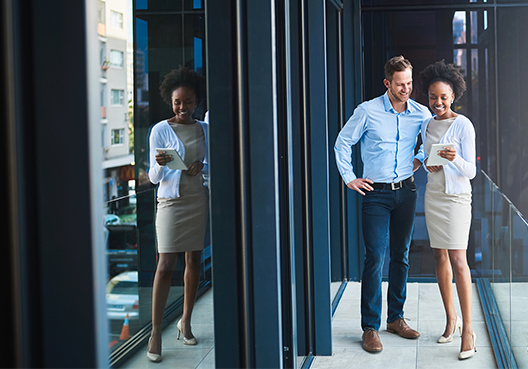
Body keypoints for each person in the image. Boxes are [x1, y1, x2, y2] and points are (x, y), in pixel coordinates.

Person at [334, 56, 431, 353]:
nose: (406, 89)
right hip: (375, 194)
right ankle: (370, 327)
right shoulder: (367, 111)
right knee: (375, 257)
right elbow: (342, 143)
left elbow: (431, 140)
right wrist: (350, 177)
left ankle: (396, 318)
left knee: (401, 256)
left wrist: (420, 159)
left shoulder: (421, 113)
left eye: (410, 83)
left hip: (406, 192)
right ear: (387, 83)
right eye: (401, 84)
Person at [146, 66, 209, 362]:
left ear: (197, 102)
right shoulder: (160, 130)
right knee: (165, 264)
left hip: (197, 198)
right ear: (170, 102)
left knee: (194, 259)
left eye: (187, 102)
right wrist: (160, 163)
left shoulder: (204, 129)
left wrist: (203, 166)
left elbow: (213, 164)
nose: (182, 107)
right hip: (171, 203)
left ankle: (185, 322)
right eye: (177, 103)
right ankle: (156, 331)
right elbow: (154, 177)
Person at [419, 60, 477, 360]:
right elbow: (428, 160)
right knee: (439, 256)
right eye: (432, 96)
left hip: (456, 201)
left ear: (453, 96)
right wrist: (429, 162)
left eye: (443, 96)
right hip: (434, 196)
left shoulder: (463, 124)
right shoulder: (427, 124)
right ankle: (450, 320)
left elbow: (471, 172)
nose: (437, 102)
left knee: (458, 259)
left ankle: (468, 330)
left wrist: (453, 158)